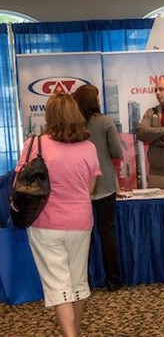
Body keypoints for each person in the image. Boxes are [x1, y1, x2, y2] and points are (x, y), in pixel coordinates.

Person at [17, 93, 101, 337]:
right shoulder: (89, 148)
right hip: (80, 222)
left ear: (49, 116)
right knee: (77, 283)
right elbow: (90, 188)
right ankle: (72, 332)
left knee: (58, 285)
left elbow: (20, 182)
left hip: (44, 223)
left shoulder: (34, 146)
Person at [73, 84, 124, 291]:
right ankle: (113, 280)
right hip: (104, 186)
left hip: (78, 188)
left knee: (82, 236)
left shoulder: (72, 126)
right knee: (107, 233)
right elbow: (117, 153)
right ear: (94, 101)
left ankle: (83, 281)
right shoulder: (105, 123)